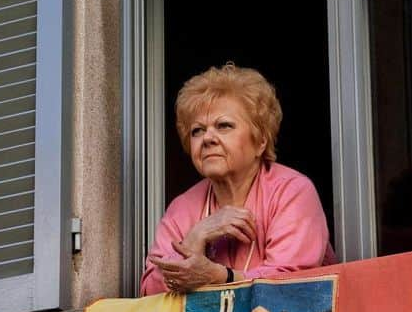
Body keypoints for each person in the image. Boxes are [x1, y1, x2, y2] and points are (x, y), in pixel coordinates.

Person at [141, 64, 335, 296]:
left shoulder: (292, 191)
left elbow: (292, 283)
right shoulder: (182, 208)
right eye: (197, 130)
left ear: (260, 140)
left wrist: (221, 277)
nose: (208, 138)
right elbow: (149, 293)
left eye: (223, 126)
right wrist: (196, 236)